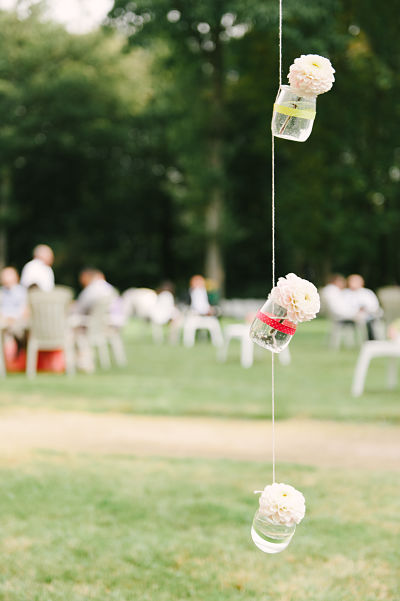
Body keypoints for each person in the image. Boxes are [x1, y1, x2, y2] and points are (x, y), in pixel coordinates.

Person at [342, 274, 382, 340]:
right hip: (351, 316)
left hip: (369, 315)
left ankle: (373, 339)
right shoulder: (345, 294)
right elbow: (343, 308)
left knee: (372, 319)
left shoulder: (367, 292)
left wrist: (365, 309)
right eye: (352, 281)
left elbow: (374, 306)